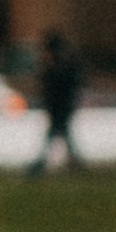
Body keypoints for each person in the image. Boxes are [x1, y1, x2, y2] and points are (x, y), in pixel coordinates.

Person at [33, 27, 85, 173]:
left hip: (59, 107)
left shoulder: (57, 67)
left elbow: (52, 88)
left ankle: (39, 167)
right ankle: (76, 166)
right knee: (63, 137)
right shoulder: (65, 64)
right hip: (62, 107)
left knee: (55, 137)